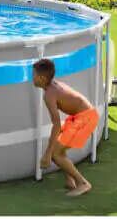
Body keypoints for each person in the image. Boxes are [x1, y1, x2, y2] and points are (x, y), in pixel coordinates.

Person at [33, 58, 99, 197]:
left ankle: (82, 183)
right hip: (82, 116)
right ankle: (70, 180)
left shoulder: (49, 95)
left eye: (34, 75)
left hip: (85, 118)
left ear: (42, 78)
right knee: (58, 144)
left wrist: (47, 154)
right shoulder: (53, 86)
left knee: (55, 153)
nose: (32, 78)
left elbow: (56, 124)